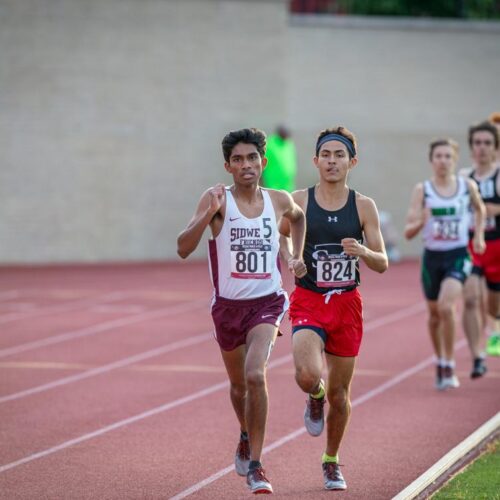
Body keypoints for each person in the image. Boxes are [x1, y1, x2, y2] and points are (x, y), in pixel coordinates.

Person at [176, 128, 306, 495]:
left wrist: (295, 255)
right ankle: (245, 433)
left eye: (252, 158)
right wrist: (208, 215)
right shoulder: (216, 199)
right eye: (238, 160)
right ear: (228, 166)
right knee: (237, 386)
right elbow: (183, 247)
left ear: (263, 162)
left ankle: (257, 465)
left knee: (254, 374)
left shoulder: (278, 200)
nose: (246, 165)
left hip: (267, 301)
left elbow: (297, 218)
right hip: (228, 307)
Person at [279, 126, 388, 491]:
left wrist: (364, 252)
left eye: (339, 155)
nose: (331, 161)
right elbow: (280, 234)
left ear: (351, 162)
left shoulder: (363, 206)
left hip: (346, 305)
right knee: (307, 375)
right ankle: (314, 396)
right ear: (315, 161)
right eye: (325, 155)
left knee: (342, 397)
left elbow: (383, 262)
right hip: (309, 299)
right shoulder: (300, 200)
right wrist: (292, 258)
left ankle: (331, 460)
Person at [405, 138, 486, 389]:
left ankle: (449, 364)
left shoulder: (466, 186)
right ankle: (440, 358)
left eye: (447, 156)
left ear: (455, 159)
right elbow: (408, 231)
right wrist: (422, 221)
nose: (443, 161)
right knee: (434, 315)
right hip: (432, 258)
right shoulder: (423, 190)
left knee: (446, 306)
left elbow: (480, 210)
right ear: (432, 161)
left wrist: (479, 235)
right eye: (438, 156)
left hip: (458, 254)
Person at [461, 121, 500, 359]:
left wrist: (484, 209)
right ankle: (477, 353)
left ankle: (496, 328)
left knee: (493, 305)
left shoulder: (498, 175)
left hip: (497, 246)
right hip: (472, 245)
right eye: (477, 143)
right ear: (471, 147)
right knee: (471, 297)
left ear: (495, 148)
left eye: (487, 143)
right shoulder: (464, 177)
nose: (482, 148)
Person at [261, 125, 297, 192]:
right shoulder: (270, 144)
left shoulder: (288, 143)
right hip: (273, 185)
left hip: (288, 185)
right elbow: (262, 163)